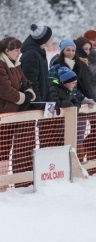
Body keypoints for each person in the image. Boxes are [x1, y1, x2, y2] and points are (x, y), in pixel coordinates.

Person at [14, 24, 52, 184]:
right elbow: (31, 82)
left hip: (38, 104)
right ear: (43, 39)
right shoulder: (31, 55)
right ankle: (22, 180)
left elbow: (44, 80)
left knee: (31, 143)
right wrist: (39, 103)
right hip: (29, 107)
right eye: (49, 36)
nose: (51, 39)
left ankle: (29, 177)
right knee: (25, 142)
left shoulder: (39, 52)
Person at [0, 36, 36, 189]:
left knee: (7, 149)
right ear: (7, 51)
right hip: (3, 114)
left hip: (13, 112)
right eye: (16, 50)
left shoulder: (16, 64)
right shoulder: (1, 65)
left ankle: (6, 183)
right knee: (2, 149)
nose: (19, 53)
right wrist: (23, 98)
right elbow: (5, 90)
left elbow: (26, 82)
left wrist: (29, 93)